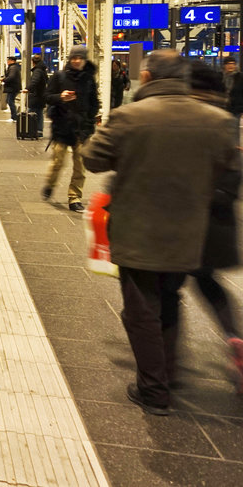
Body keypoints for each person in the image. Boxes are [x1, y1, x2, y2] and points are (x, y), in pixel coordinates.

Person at [84, 50, 240, 414]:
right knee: (170, 301)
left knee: (141, 313)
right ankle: (166, 375)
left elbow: (93, 159)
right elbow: (229, 168)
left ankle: (153, 389)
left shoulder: (128, 117)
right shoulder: (217, 121)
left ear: (149, 78)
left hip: (137, 231)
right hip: (189, 233)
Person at [184, 60, 243, 390]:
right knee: (208, 282)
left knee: (166, 287)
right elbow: (233, 174)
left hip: (185, 220)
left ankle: (165, 364)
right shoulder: (225, 122)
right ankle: (235, 338)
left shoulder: (187, 119)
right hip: (217, 223)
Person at [42, 45, 99, 211]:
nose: (76, 61)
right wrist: (60, 97)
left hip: (82, 130)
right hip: (62, 128)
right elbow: (46, 97)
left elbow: (94, 103)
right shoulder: (59, 77)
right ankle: (50, 185)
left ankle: (74, 197)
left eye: (80, 58)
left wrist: (89, 122)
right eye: (74, 58)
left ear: (84, 60)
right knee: (58, 162)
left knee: (80, 166)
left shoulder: (89, 80)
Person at [26, 54, 47, 128]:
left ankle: (31, 130)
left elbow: (35, 81)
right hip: (41, 95)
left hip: (36, 96)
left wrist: (27, 89)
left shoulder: (37, 71)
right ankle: (39, 130)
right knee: (39, 113)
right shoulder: (42, 70)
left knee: (30, 112)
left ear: (33, 62)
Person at [2, 55, 22, 122]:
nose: (7, 61)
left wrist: (4, 80)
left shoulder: (13, 68)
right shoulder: (13, 67)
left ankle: (14, 117)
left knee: (10, 101)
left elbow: (11, 77)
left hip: (12, 87)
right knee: (9, 101)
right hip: (13, 87)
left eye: (9, 60)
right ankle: (14, 116)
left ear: (12, 61)